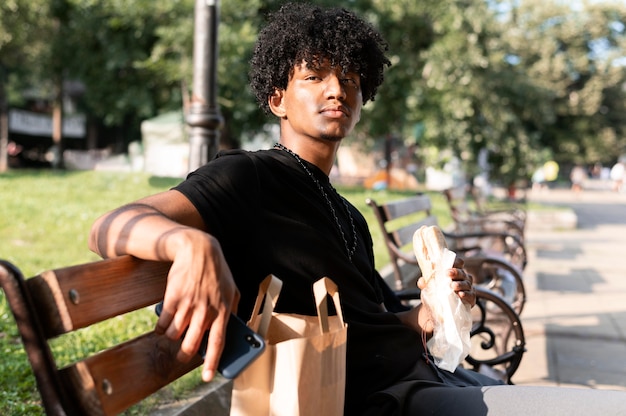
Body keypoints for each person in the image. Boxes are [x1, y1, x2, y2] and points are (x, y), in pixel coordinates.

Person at [89, 4, 626, 415]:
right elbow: (109, 225)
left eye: (349, 79)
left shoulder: (347, 214)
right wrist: (189, 242)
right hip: (381, 400)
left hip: (422, 377)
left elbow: (378, 321)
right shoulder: (248, 175)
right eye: (315, 76)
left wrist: (433, 306)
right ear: (277, 98)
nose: (336, 90)